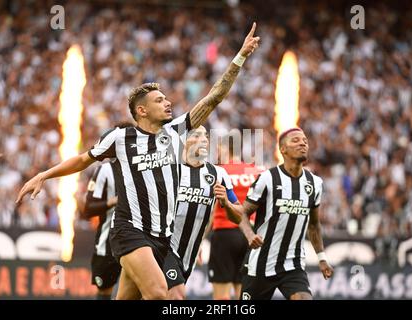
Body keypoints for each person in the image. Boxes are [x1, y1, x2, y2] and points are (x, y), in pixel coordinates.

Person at [16, 22, 260, 300]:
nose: (168, 103)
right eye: (159, 100)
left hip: (162, 237)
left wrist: (240, 57)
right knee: (160, 294)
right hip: (130, 230)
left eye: (167, 99)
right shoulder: (121, 137)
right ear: (142, 110)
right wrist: (44, 175)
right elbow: (83, 160)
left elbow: (214, 97)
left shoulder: (175, 133)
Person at [221, 128, 334, 300]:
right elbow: (243, 214)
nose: (303, 143)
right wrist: (250, 235)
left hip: (293, 265)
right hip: (261, 264)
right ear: (283, 149)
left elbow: (313, 224)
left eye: (304, 140)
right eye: (295, 140)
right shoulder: (267, 178)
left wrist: (321, 257)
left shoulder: (315, 183)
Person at [162, 126, 240, 299]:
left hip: (189, 253)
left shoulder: (218, 173)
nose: (204, 139)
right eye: (196, 135)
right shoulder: (169, 169)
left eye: (205, 136)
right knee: (176, 295)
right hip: (163, 246)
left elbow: (239, 214)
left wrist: (226, 203)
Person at [76, 122, 132, 300]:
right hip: (107, 243)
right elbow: (88, 209)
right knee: (104, 293)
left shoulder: (142, 167)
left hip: (136, 242)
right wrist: (112, 201)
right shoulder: (105, 171)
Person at [208, 141, 264, 300]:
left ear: (227, 149)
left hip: (224, 232)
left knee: (221, 297)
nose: (217, 153)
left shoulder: (219, 171)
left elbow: (212, 210)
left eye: (219, 149)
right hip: (249, 235)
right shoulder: (255, 171)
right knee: (243, 293)